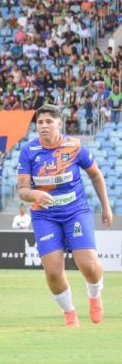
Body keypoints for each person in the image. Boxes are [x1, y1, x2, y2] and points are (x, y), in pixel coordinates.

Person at [17, 104, 112, 327]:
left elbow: (96, 176)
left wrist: (105, 207)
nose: (43, 126)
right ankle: (70, 313)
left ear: (60, 123)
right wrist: (34, 194)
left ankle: (95, 294)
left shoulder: (76, 147)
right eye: (40, 122)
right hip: (45, 216)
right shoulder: (28, 151)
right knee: (52, 271)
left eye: (49, 121)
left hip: (76, 211)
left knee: (88, 265)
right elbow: (21, 191)